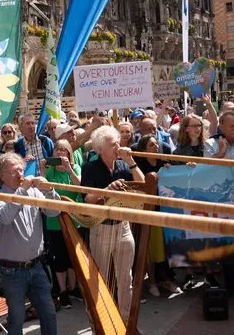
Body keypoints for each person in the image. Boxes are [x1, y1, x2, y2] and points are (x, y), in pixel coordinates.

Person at [0, 153, 60, 335]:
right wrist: (22, 191)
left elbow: (54, 212)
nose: (19, 173)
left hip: (36, 266)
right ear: (1, 175)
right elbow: (5, 217)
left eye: (20, 169)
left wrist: (49, 190)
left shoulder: (33, 192)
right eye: (13, 171)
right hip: (12, 271)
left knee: (49, 313)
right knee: (16, 319)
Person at [82, 126, 145, 323]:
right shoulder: (89, 168)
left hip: (123, 227)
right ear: (100, 148)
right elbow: (88, 200)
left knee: (126, 279)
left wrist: (132, 163)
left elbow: (144, 186)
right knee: (100, 279)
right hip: (101, 229)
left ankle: (125, 323)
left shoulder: (124, 166)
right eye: (113, 144)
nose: (118, 146)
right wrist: (107, 189)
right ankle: (100, 322)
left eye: (118, 142)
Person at [39, 139, 82, 309]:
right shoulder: (50, 170)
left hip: (74, 220)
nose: (59, 153)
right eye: (57, 150)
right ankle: (63, 291)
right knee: (59, 258)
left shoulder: (75, 168)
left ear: (69, 153)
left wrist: (69, 170)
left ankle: (73, 288)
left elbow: (80, 186)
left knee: (73, 257)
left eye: (63, 150)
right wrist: (42, 171)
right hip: (54, 220)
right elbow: (40, 188)